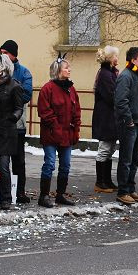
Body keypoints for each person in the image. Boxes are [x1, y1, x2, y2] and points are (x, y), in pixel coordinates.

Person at [0, 40, 32, 204]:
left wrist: (11, 117)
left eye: (5, 52)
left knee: (8, 163)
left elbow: (22, 101)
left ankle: (9, 197)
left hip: (9, 129)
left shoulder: (19, 79)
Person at [37, 56, 81, 208]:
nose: (69, 70)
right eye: (66, 68)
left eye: (69, 68)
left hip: (67, 135)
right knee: (49, 164)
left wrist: (76, 129)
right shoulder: (47, 89)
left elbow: (76, 111)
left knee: (66, 165)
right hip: (51, 134)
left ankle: (60, 194)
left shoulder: (71, 89)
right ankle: (44, 196)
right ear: (58, 71)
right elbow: (45, 112)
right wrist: (56, 128)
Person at [114, 46, 138, 205]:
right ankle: (123, 191)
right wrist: (129, 119)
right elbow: (121, 101)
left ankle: (130, 188)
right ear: (133, 60)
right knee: (126, 158)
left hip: (137, 121)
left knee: (135, 158)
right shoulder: (126, 76)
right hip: (128, 123)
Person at [92, 46, 119, 193]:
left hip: (109, 116)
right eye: (115, 56)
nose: (117, 59)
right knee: (104, 149)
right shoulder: (105, 74)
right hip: (105, 116)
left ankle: (107, 180)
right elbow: (111, 95)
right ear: (109, 58)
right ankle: (100, 181)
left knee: (109, 149)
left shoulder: (110, 73)